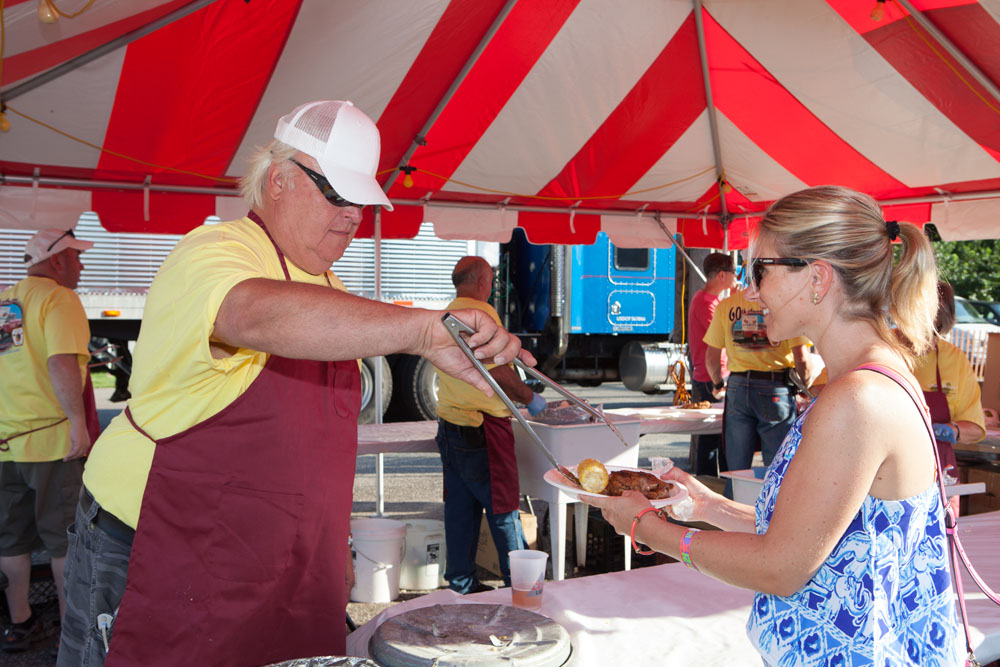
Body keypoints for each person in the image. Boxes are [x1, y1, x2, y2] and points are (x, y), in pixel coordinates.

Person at [57, 101, 530, 667]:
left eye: (362, 202)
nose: (354, 215)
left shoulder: (325, 279)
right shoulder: (215, 251)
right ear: (278, 179)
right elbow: (252, 313)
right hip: (163, 545)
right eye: (337, 194)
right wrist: (423, 332)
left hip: (283, 565)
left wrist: (334, 549)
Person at [586, 186, 963, 666]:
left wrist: (646, 527)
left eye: (759, 270)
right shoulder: (872, 378)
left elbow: (782, 567)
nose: (749, 289)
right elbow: (819, 533)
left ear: (817, 278)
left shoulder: (857, 399)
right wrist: (709, 505)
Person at [0, 228, 99, 652]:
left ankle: (19, 622)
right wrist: (79, 424)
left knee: (11, 539)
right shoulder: (59, 299)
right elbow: (61, 361)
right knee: (65, 538)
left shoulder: (7, 301)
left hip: (6, 442)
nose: (81, 265)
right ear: (57, 260)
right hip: (50, 443)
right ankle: (69, 625)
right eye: (77, 257)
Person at [433, 256, 546, 594]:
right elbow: (495, 369)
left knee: (460, 510)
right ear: (483, 282)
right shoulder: (481, 315)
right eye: (492, 281)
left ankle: (461, 584)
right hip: (482, 427)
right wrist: (529, 397)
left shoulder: (447, 313)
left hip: (451, 423)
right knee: (503, 509)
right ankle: (523, 587)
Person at [704, 278, 811, 493]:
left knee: (736, 465)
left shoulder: (726, 306)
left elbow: (711, 356)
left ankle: (732, 513)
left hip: (737, 386)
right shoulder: (786, 306)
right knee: (778, 462)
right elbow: (802, 358)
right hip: (774, 388)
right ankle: (773, 515)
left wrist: (717, 383)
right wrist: (806, 387)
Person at [914, 281, 986, 513]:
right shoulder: (884, 349)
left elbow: (975, 427)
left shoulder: (955, 359)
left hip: (938, 478)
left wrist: (952, 430)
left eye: (936, 329)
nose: (928, 341)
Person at [686, 252, 737, 475]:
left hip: (713, 372)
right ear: (722, 275)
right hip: (711, 375)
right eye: (735, 274)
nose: (736, 279)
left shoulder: (711, 301)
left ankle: (711, 481)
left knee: (717, 436)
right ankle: (708, 481)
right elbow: (725, 335)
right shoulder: (706, 302)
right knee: (712, 437)